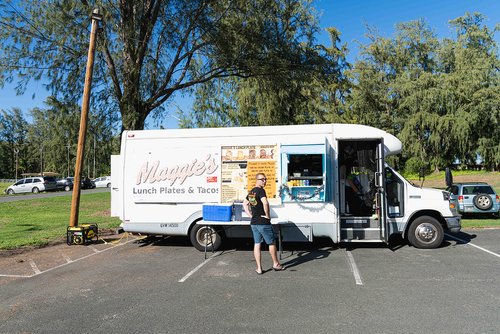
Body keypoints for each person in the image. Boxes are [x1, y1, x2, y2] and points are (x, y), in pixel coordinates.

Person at [243, 173, 284, 275]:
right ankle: (275, 264)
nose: (265, 181)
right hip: (263, 222)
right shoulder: (261, 191)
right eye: (262, 179)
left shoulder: (252, 191)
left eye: (265, 179)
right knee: (271, 243)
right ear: (257, 180)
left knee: (257, 244)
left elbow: (245, 203)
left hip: (254, 223)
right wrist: (267, 215)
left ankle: (259, 268)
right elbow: (265, 203)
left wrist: (250, 215)